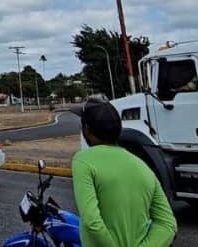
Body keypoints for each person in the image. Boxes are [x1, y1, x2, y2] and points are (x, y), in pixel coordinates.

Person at [72, 98, 177, 247]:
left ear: (87, 129)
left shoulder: (82, 161)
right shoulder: (142, 166)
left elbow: (92, 222)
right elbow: (168, 224)